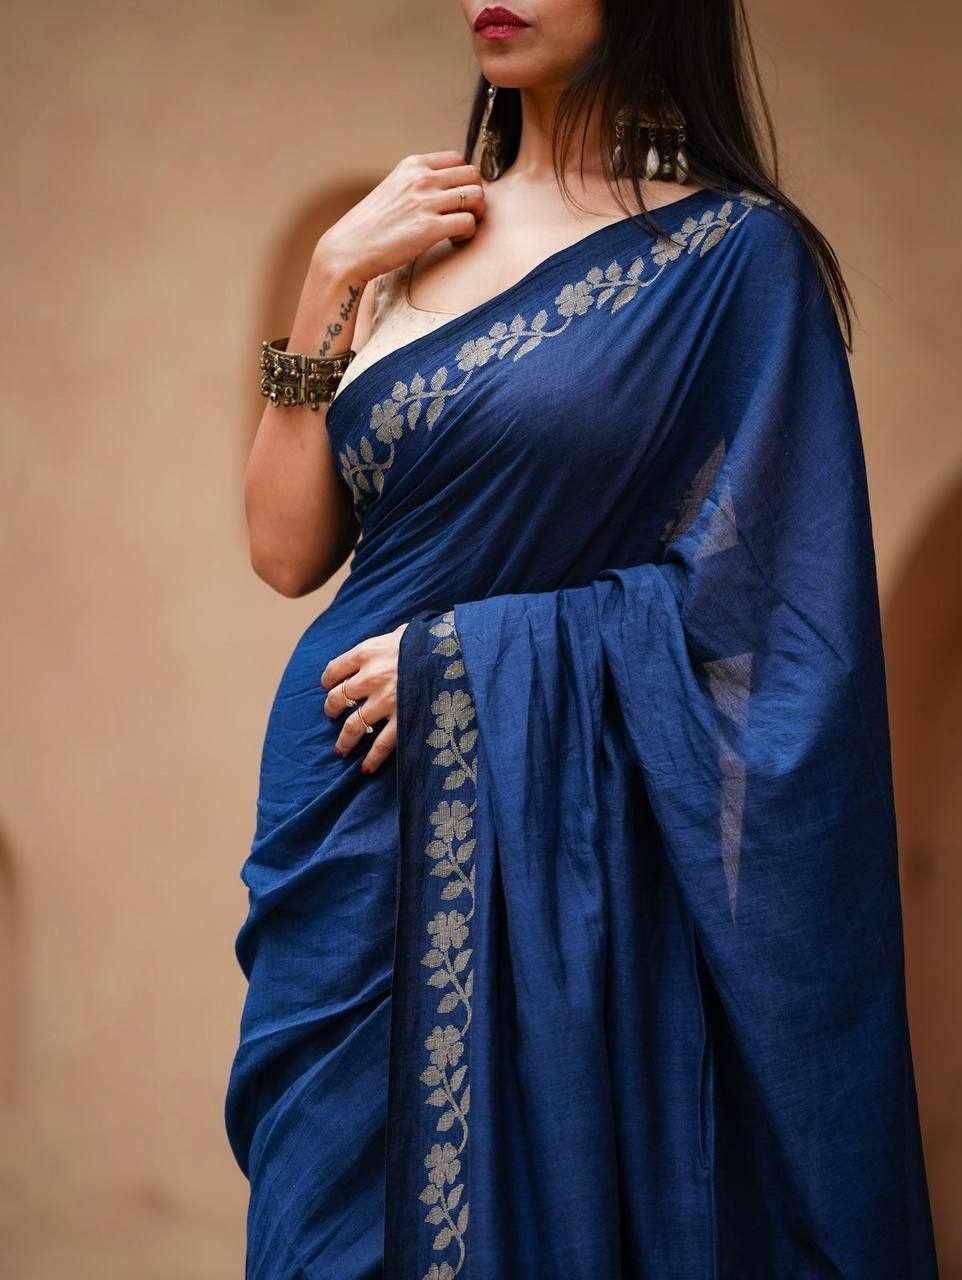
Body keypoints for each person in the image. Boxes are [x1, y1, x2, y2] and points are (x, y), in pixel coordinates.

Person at [225, 2, 940, 1277]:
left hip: (539, 837)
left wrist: (471, 663)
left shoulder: (730, 261)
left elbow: (769, 616)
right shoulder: (410, 240)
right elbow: (286, 552)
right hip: (341, 838)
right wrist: (327, 280)